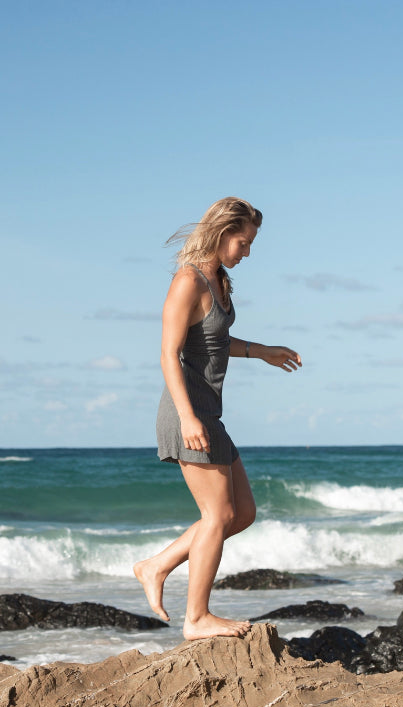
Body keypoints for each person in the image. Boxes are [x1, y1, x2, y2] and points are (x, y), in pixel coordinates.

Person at [134, 197, 302, 640]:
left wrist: (260, 350)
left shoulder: (218, 281)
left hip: (210, 411)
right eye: (242, 243)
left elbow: (213, 341)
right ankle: (197, 618)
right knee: (216, 514)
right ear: (222, 231)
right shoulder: (187, 281)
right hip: (187, 410)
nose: (245, 253)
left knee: (241, 513)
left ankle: (156, 565)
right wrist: (188, 418)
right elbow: (169, 354)